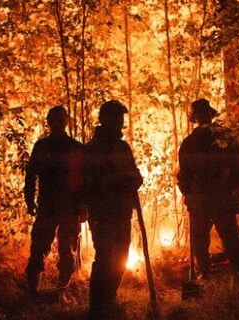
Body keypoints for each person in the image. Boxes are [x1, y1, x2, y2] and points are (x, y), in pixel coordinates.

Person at [177, 98, 239, 284]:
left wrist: (189, 194)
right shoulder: (225, 138)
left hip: (204, 201)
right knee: (228, 240)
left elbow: (183, 175)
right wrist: (236, 190)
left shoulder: (190, 142)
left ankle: (205, 280)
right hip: (217, 200)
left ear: (196, 117)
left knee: (202, 243)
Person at [83, 100, 142, 318]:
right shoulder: (92, 149)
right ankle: (97, 308)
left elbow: (135, 173)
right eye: (117, 117)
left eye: (121, 117)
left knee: (120, 259)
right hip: (103, 213)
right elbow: (91, 183)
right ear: (105, 119)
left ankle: (109, 299)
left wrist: (134, 178)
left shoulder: (122, 147)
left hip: (122, 212)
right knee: (105, 259)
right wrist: (121, 179)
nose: (121, 122)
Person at [24, 106, 85, 295]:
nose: (57, 123)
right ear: (50, 122)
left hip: (66, 206)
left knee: (66, 251)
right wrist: (29, 199)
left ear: (65, 121)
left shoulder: (74, 147)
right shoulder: (45, 146)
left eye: (60, 120)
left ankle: (59, 292)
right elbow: (31, 174)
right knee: (41, 247)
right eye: (55, 120)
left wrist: (83, 206)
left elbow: (83, 179)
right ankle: (35, 292)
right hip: (51, 205)